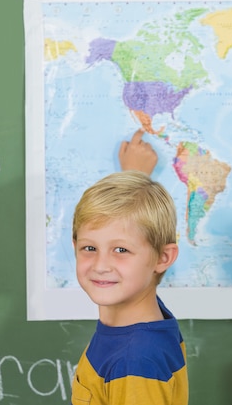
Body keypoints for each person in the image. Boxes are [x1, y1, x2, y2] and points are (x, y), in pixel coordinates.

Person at [70, 169, 188, 405]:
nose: (101, 265)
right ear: (75, 246)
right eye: (89, 248)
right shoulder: (145, 317)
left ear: (162, 258)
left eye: (121, 250)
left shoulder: (136, 361)